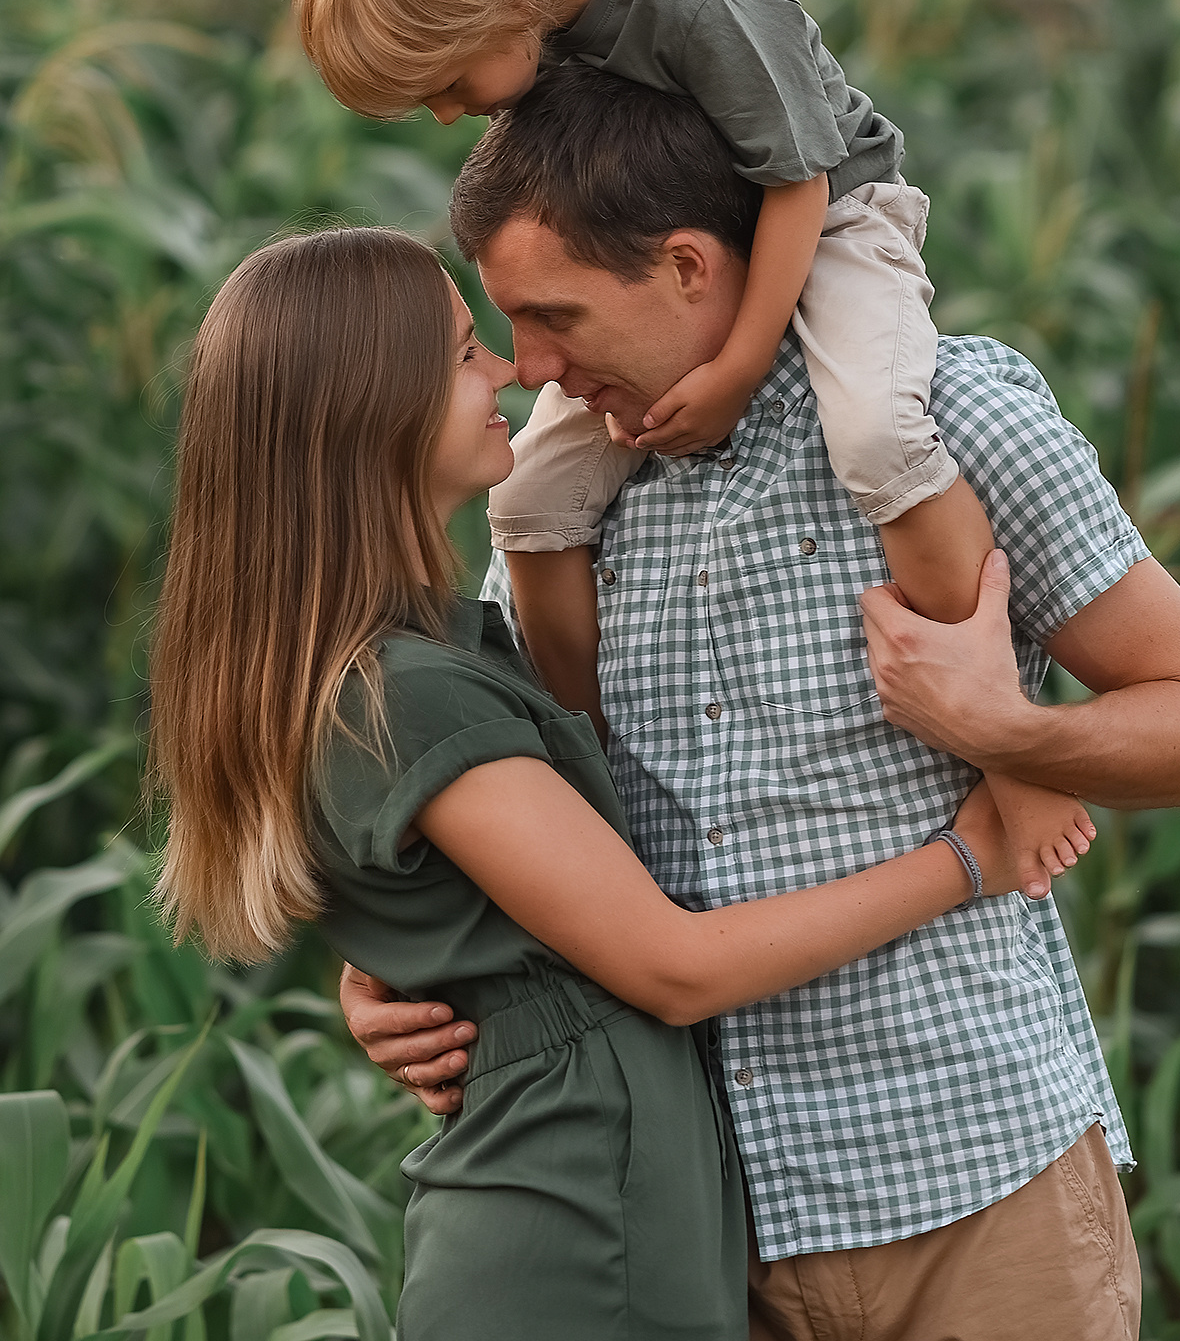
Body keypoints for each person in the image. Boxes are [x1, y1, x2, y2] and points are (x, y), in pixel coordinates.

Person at [342, 72, 1180, 1341]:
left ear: (684, 267)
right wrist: (398, 968)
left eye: (554, 317)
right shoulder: (560, 502)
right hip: (702, 1229)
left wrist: (1003, 734)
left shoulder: (949, 419)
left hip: (975, 1201)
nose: (530, 369)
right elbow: (531, 809)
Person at [146, 224, 1033, 1341]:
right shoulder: (402, 690)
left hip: (592, 1219)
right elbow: (670, 967)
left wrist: (417, 967)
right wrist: (969, 858)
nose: (508, 371)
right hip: (572, 1243)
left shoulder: (410, 658)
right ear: (366, 412)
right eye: (465, 352)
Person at [290, 0, 1090, 898]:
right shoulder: (532, 35)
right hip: (689, 255)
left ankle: (1010, 749)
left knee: (880, 438)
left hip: (832, 218)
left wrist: (737, 364)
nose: (449, 115)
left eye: (443, 83)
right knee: (531, 500)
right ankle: (589, 781)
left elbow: (798, 182)